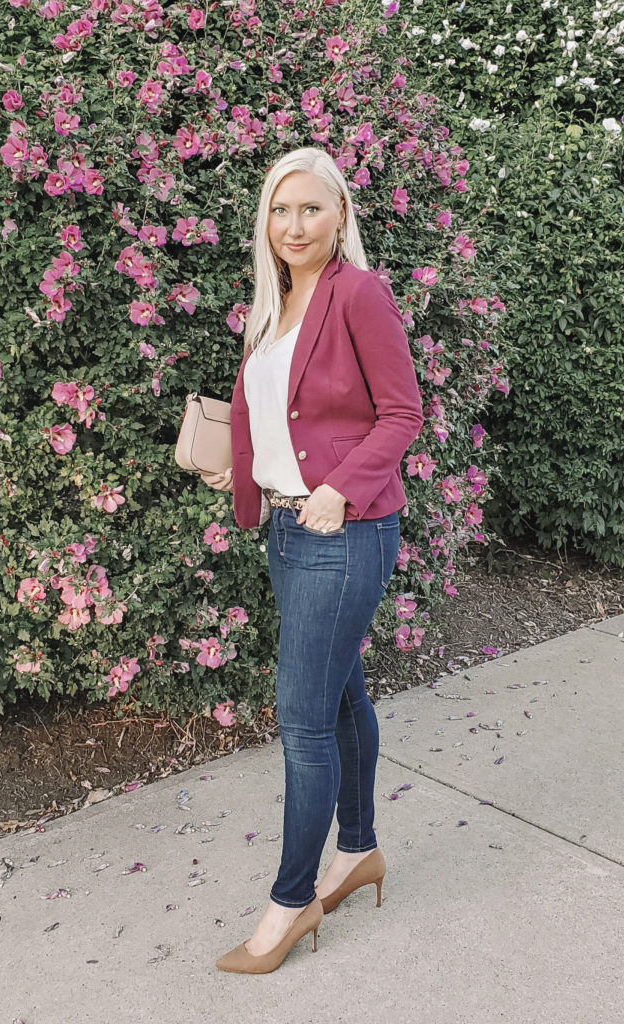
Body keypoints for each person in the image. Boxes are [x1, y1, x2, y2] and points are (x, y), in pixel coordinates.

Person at [200, 146, 424, 974]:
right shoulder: (273, 305)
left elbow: (402, 412)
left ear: (340, 217)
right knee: (337, 697)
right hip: (287, 534)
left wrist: (340, 488)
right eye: (280, 210)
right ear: (266, 220)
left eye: (311, 210)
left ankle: (291, 903)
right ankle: (358, 849)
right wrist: (247, 466)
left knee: (301, 722)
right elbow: (281, 413)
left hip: (344, 531)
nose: (294, 226)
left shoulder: (358, 293)